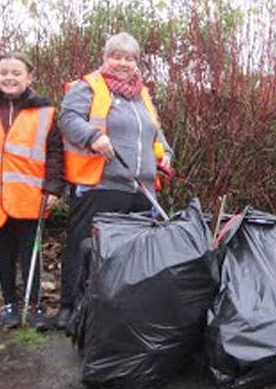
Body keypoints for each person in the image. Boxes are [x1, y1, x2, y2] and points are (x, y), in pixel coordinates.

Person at [56, 32, 173, 329]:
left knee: (132, 255)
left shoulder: (142, 95)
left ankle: (118, 314)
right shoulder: (87, 87)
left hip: (141, 189)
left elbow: (156, 133)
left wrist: (166, 154)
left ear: (137, 62)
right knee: (85, 249)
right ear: (106, 58)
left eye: (130, 58)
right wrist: (93, 137)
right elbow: (68, 119)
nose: (123, 63)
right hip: (100, 185)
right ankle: (71, 308)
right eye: (117, 56)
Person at [0, 51, 64, 330]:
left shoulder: (45, 113)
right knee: (3, 253)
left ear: (29, 77)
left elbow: (55, 153)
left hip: (30, 198)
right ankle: (9, 305)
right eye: (4, 72)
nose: (9, 77)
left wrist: (54, 186)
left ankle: (34, 304)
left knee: (31, 253)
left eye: (16, 73)